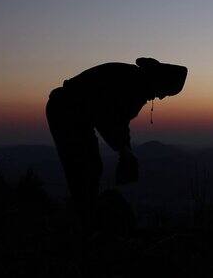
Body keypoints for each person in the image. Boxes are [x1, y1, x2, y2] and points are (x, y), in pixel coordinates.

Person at [46, 57, 187, 228]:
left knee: (89, 166)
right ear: (160, 81)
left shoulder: (136, 81)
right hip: (66, 110)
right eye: (165, 91)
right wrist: (124, 150)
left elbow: (119, 121)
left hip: (70, 110)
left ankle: (85, 215)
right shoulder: (134, 85)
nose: (162, 97)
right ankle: (82, 221)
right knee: (84, 166)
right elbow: (108, 119)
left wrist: (125, 148)